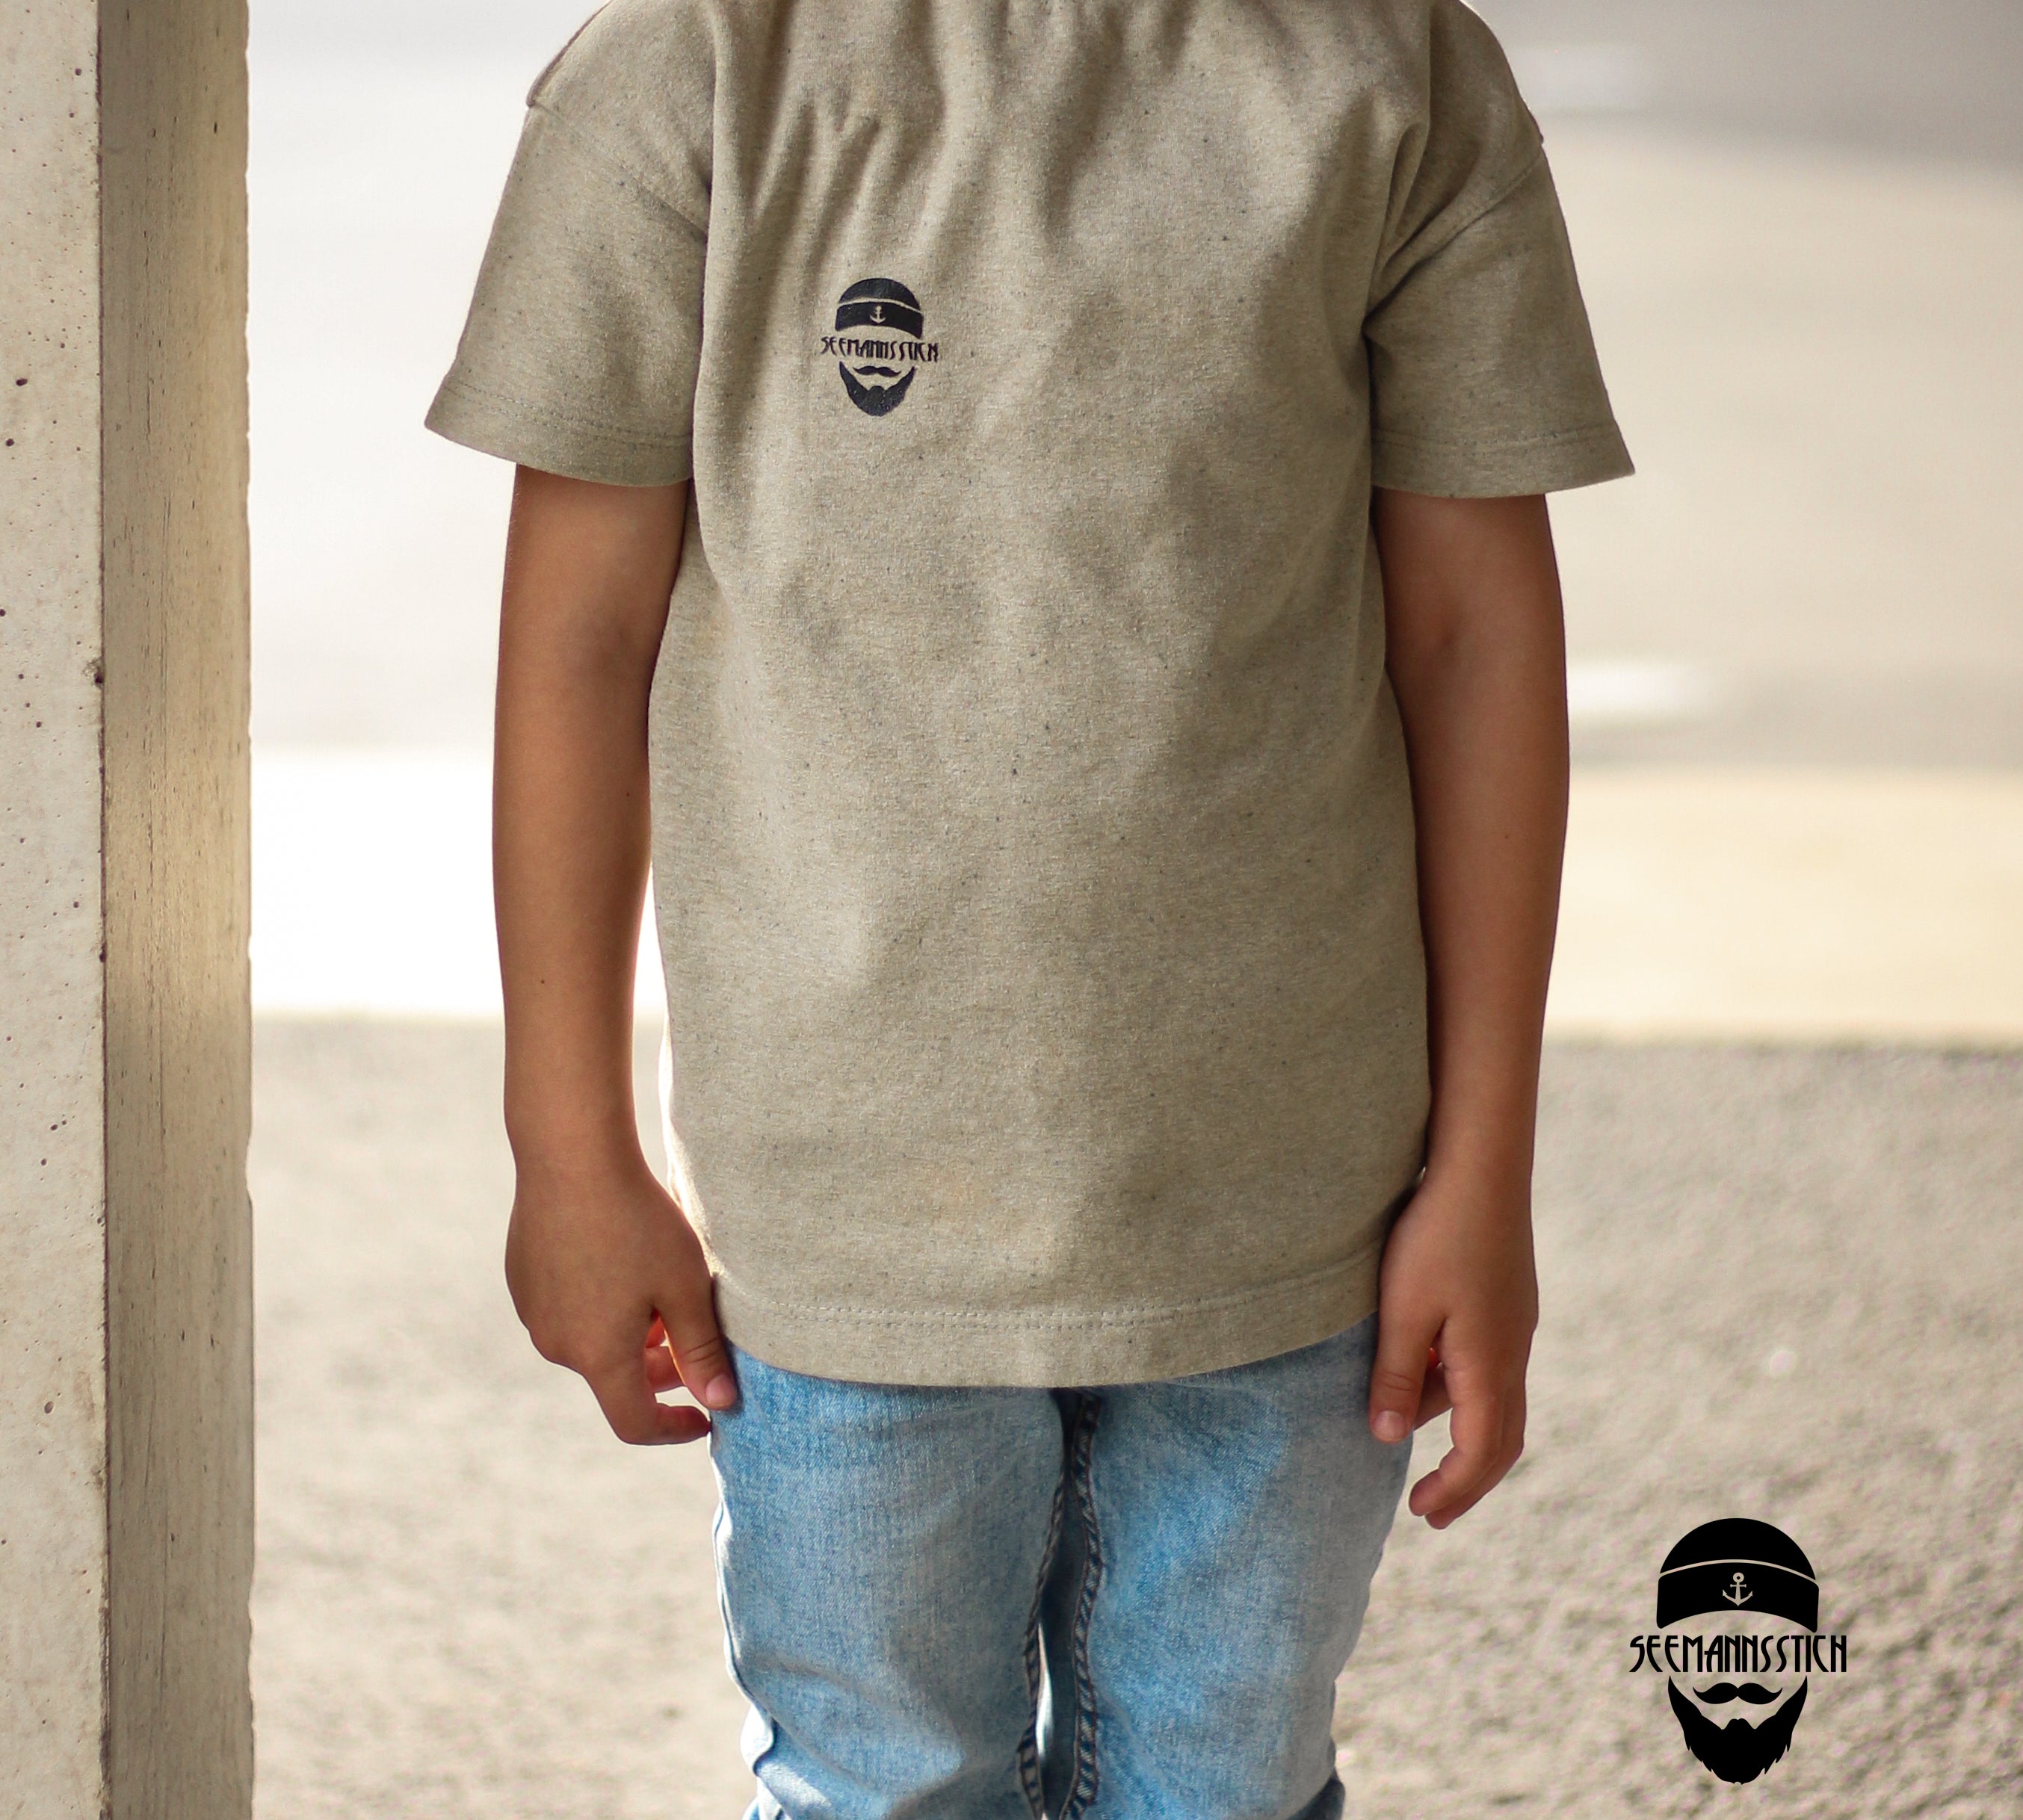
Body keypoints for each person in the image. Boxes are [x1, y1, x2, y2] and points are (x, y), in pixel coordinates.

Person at [425, 0, 1632, 1810]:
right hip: (842, 1226)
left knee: (1224, 1784)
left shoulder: (1394, 72)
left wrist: (1485, 1172)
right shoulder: (691, 71)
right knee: (885, 1783)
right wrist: (567, 1145)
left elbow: (1473, 641)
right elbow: (577, 644)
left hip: (1296, 1206)